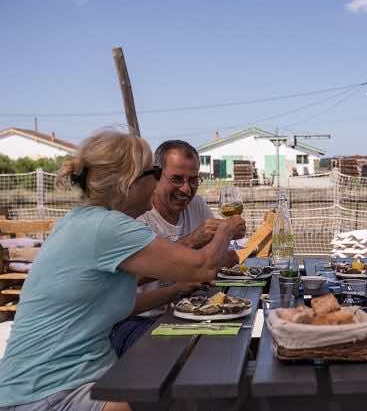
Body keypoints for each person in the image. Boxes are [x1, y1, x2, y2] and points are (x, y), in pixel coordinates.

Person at [0, 131, 245, 411]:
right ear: (129, 183)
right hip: (47, 392)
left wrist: (174, 291)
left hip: (88, 376)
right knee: (200, 384)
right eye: (154, 172)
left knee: (202, 376)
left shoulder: (83, 220)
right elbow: (204, 266)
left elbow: (115, 307)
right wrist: (226, 229)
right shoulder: (108, 227)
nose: (157, 180)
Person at [109, 140, 242, 356]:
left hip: (190, 310)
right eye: (177, 179)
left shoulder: (196, 205)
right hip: (138, 320)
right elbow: (130, 278)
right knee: (191, 355)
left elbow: (220, 259)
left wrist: (222, 245)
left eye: (193, 180)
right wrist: (195, 243)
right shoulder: (135, 215)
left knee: (236, 346)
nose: (186, 189)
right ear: (155, 176)